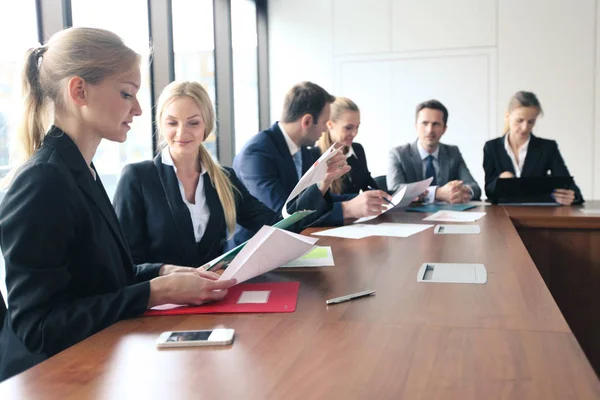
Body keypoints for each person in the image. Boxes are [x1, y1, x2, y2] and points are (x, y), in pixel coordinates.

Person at [0, 27, 236, 382]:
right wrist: (154, 293)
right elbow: (38, 327)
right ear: (79, 90)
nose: (139, 109)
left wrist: (161, 273)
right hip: (55, 379)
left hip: (97, 364)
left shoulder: (82, 171)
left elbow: (100, 281)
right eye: (127, 93)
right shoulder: (44, 181)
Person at [113, 81, 341, 267]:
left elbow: (278, 228)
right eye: (172, 122)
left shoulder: (223, 179)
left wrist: (321, 185)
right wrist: (165, 274)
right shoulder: (137, 178)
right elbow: (124, 264)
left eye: (193, 123)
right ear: (161, 126)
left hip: (212, 298)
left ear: (206, 127)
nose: (181, 132)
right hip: (160, 305)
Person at [232, 82, 389, 246]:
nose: (325, 130)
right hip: (253, 252)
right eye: (324, 123)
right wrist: (346, 209)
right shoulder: (257, 154)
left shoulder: (302, 150)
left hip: (291, 243)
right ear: (307, 121)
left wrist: (360, 199)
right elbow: (282, 215)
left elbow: (310, 199)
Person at [483, 91, 583, 204]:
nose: (525, 127)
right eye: (519, 120)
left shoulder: (547, 148)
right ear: (507, 116)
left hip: (538, 215)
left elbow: (570, 186)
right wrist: (499, 181)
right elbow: (488, 190)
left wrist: (573, 196)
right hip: (502, 215)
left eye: (531, 122)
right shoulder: (492, 147)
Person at [387, 99, 481, 204]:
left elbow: (475, 188)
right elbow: (394, 190)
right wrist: (436, 193)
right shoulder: (398, 154)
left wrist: (461, 192)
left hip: (447, 217)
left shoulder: (453, 153)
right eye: (425, 123)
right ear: (416, 126)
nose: (430, 130)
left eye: (436, 124)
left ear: (444, 129)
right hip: (410, 217)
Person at [312, 96, 389, 205]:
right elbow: (320, 199)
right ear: (330, 124)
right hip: (333, 220)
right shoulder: (313, 155)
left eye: (357, 127)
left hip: (358, 219)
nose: (354, 133)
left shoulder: (357, 149)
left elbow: (369, 185)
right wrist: (360, 198)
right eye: (348, 128)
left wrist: (392, 195)